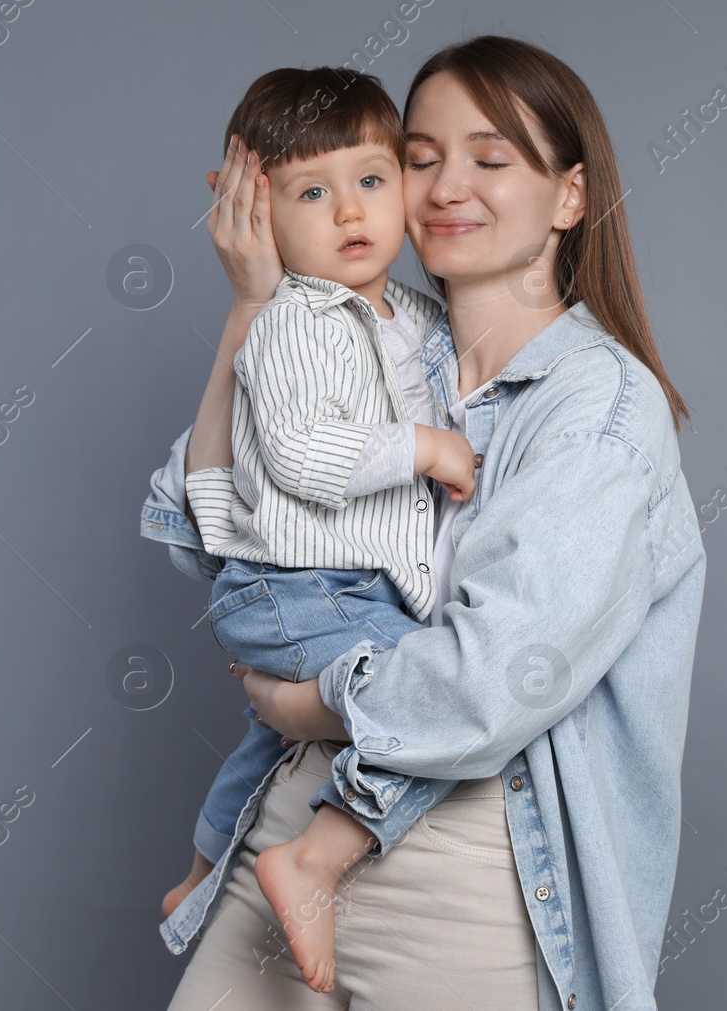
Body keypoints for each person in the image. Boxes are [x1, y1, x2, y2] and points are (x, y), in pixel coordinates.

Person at [142, 35, 706, 1010]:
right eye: (419, 157)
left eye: (490, 160)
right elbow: (208, 538)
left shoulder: (598, 410)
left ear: (568, 198)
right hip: (290, 828)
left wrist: (304, 704)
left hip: (465, 867)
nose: (447, 185)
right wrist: (252, 307)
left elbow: (496, 674)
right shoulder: (365, 331)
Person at [159, 64, 479, 994]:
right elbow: (300, 455)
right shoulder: (292, 321)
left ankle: (201, 868)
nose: (350, 213)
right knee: (426, 698)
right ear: (261, 216)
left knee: (268, 748)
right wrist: (426, 446)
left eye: (372, 182)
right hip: (299, 587)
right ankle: (312, 861)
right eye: (312, 192)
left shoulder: (416, 316)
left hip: (346, 587)